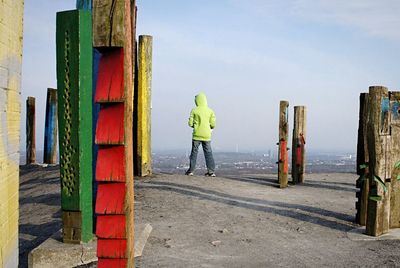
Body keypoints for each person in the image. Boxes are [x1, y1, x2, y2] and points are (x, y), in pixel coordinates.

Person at [185, 93, 216, 177]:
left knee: (194, 152)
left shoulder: (194, 110)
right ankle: (211, 171)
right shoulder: (210, 111)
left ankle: (191, 171)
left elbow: (190, 123)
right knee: (208, 153)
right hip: (207, 135)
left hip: (196, 135)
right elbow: (213, 124)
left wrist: (195, 125)